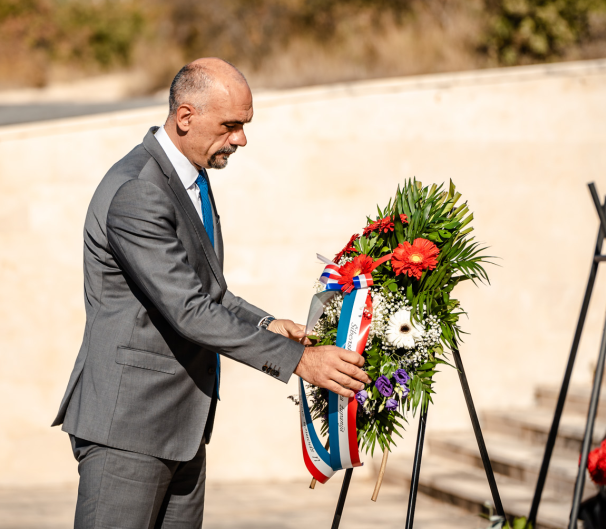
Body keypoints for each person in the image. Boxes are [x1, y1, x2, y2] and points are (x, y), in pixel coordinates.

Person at [53, 58, 370, 529]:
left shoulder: (190, 177)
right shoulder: (139, 191)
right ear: (185, 117)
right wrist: (298, 360)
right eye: (231, 125)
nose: (241, 138)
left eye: (244, 125)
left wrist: (266, 324)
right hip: (129, 430)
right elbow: (189, 309)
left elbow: (208, 291)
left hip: (182, 429)